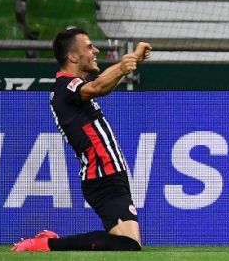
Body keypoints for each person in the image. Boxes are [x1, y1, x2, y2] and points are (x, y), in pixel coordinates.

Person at [12, 28, 152, 252]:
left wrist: (133, 58)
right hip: (102, 173)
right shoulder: (64, 87)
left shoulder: (73, 86)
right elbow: (97, 87)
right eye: (89, 47)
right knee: (128, 245)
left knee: (127, 243)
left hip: (109, 172)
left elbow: (100, 84)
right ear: (73, 56)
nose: (95, 50)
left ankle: (48, 241)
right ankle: (47, 244)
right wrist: (125, 66)